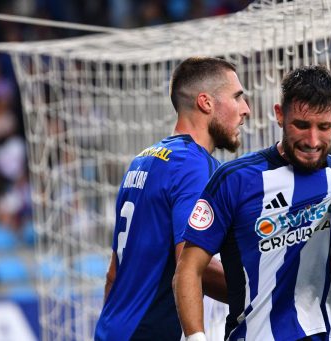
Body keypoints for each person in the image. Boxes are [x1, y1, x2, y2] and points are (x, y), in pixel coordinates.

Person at [173, 65, 331, 341]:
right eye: (301, 125)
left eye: (324, 127)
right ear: (279, 115)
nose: (313, 140)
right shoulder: (234, 180)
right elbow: (188, 268)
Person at [94, 56, 250, 341]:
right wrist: (261, 289)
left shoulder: (141, 161)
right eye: (237, 97)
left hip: (110, 330)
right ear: (206, 103)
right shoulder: (193, 165)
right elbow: (188, 265)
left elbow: (113, 273)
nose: (246, 109)